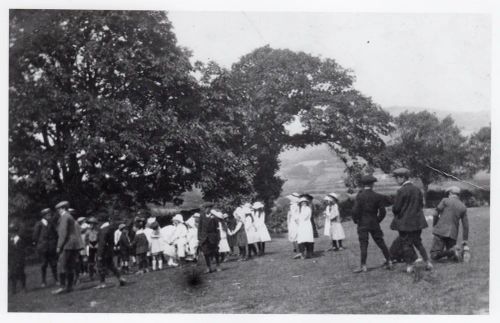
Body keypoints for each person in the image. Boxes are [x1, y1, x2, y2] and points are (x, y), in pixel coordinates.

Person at [390, 168, 433, 273]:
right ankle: (428, 262)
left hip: (405, 223)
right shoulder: (417, 189)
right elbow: (421, 205)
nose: (396, 180)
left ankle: (410, 266)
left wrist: (397, 212)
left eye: (396, 178)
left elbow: (396, 208)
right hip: (417, 222)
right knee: (418, 242)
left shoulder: (401, 191)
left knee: (406, 244)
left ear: (402, 177)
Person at [351, 175, 393, 273]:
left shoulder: (360, 196)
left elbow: (354, 211)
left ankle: (363, 266)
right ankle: (389, 261)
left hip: (362, 223)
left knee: (363, 244)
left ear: (363, 184)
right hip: (374, 223)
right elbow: (383, 212)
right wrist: (377, 220)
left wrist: (355, 220)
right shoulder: (377, 196)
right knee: (381, 242)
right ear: (372, 184)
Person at [430, 186, 469, 262]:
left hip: (440, 231)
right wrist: (465, 240)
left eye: (448, 193)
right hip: (453, 234)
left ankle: (452, 251)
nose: (448, 195)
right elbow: (466, 225)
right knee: (451, 259)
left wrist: (434, 225)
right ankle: (455, 252)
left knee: (433, 255)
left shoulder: (445, 200)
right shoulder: (463, 206)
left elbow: (435, 214)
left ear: (451, 193)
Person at [52, 201, 83, 294]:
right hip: (73, 245)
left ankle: (62, 287)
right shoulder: (70, 216)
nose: (58, 211)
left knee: (62, 265)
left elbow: (63, 233)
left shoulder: (64, 217)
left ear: (62, 208)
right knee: (70, 266)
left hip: (66, 244)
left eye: (58, 209)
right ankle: (69, 287)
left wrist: (59, 246)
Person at [95, 214, 126, 289]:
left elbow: (102, 243)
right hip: (109, 250)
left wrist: (99, 254)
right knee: (111, 266)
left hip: (103, 251)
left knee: (100, 266)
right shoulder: (111, 228)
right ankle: (120, 278)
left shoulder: (103, 230)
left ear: (101, 221)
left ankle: (102, 283)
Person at [32, 208, 58, 287]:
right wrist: (39, 245)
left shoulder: (51, 224)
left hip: (51, 247)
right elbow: (35, 236)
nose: (49, 216)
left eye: (50, 214)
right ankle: (43, 281)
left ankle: (56, 280)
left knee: (54, 264)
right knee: (44, 265)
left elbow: (55, 234)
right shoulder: (39, 224)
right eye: (47, 215)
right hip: (43, 248)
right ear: (44, 216)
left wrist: (54, 243)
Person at [198, 206, 221, 273]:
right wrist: (199, 237)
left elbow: (217, 228)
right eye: (205, 208)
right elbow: (200, 227)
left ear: (210, 209)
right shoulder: (202, 216)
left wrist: (218, 237)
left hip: (213, 237)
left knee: (216, 252)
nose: (206, 210)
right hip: (204, 237)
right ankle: (208, 267)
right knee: (206, 253)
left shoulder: (214, 217)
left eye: (207, 208)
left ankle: (218, 265)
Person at [8, 222, 26, 294]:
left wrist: (20, 259)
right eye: (11, 232)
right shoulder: (9, 239)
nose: (13, 233)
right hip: (11, 259)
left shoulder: (19, 239)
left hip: (19, 258)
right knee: (12, 274)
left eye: (14, 232)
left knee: (21, 273)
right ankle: (13, 289)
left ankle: (23, 287)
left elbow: (22, 251)